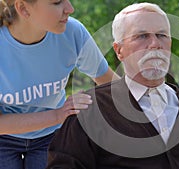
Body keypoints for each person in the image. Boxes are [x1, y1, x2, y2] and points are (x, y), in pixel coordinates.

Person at [46, 2, 179, 169]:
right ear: (119, 51)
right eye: (142, 36)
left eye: (161, 35)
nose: (155, 43)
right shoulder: (90, 110)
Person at [0, 0, 116, 168]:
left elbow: (110, 84)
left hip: (52, 135)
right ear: (23, 8)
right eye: (57, 3)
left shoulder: (73, 32)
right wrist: (57, 115)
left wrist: (151, 103)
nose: (70, 9)